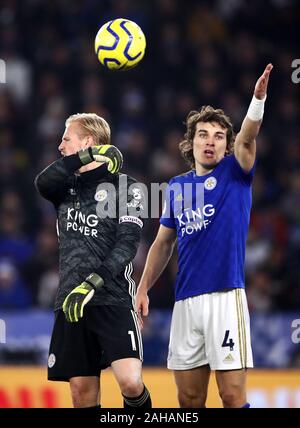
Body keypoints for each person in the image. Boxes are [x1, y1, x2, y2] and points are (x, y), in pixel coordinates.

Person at [136, 64, 273, 408]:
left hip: (226, 298)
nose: (209, 141)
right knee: (189, 398)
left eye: (218, 136)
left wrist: (257, 101)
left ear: (227, 146)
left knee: (231, 395)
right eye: (202, 134)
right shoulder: (178, 187)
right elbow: (163, 243)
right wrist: (142, 287)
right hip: (186, 304)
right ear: (190, 142)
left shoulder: (235, 172)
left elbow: (248, 135)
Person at [35, 113, 152, 409]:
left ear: (87, 139)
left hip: (112, 298)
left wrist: (92, 283)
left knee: (130, 381)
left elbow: (127, 246)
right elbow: (41, 182)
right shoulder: (63, 186)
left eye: (66, 138)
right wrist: (85, 156)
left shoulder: (129, 187)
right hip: (71, 301)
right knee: (81, 395)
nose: (60, 146)